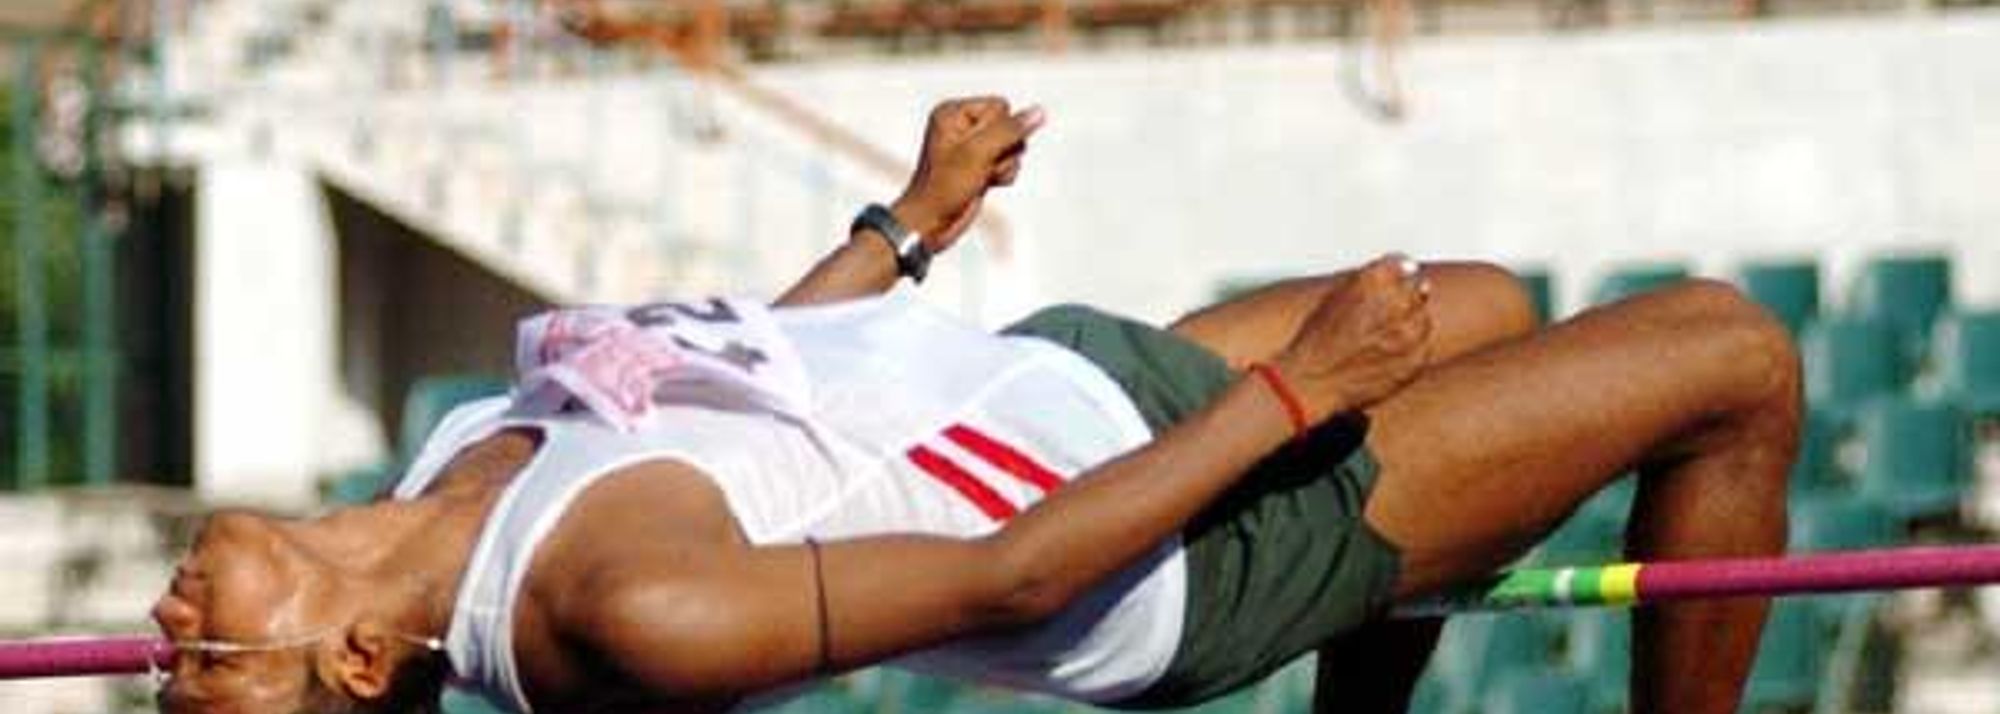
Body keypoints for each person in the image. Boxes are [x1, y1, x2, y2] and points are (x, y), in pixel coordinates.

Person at [150, 96, 1799, 714]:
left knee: (1485, 306)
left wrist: (906, 226)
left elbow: (734, 381)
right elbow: (1011, 576)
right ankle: (1347, 553)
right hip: (1176, 544)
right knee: (1734, 358)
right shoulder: (620, 606)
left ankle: (1365, 591)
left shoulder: (456, 456)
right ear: (354, 661)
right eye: (208, 670)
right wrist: (1304, 392)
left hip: (1085, 380)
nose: (166, 634)